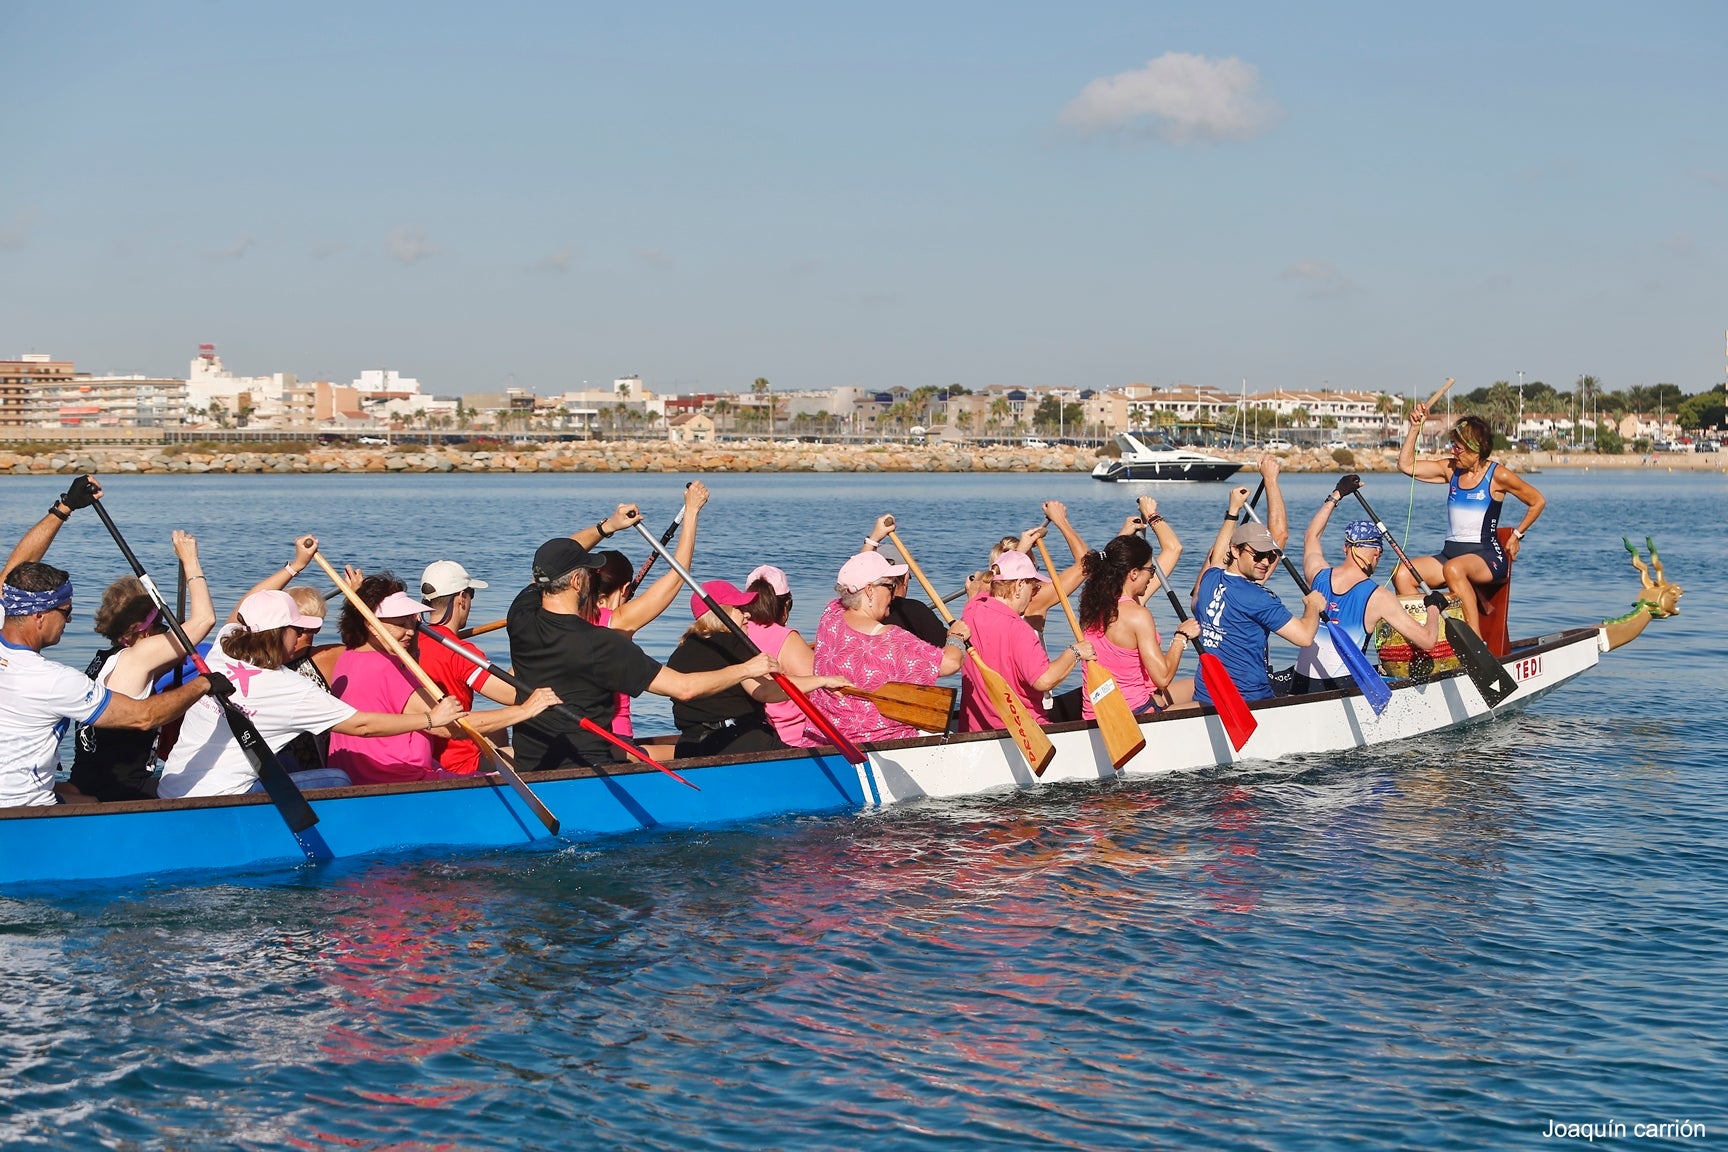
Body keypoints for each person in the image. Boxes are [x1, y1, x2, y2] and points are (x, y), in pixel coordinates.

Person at [507, 513, 780, 771]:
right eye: (589, 574)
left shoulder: (519, 617)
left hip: (530, 770)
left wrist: (606, 527)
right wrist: (747, 669)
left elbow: (552, 559)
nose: (593, 580)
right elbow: (684, 688)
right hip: (589, 774)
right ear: (577, 581)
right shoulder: (602, 643)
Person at [156, 590, 467, 799]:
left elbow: (248, 600)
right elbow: (362, 726)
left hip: (171, 789)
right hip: (224, 800)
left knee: (287, 762)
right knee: (338, 779)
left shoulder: (223, 648)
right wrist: (430, 718)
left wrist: (295, 565)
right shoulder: (292, 689)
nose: (303, 637)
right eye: (299, 629)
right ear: (280, 633)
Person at [2, 556, 226, 809]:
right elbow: (146, 716)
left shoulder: (98, 662)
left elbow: (9, 583)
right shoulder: (62, 677)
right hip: (106, 795)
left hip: (81, 782)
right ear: (39, 616)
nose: (70, 620)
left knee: (80, 795)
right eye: (66, 612)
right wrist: (203, 685)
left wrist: (58, 514)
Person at [69, 530, 216, 801]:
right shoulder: (139, 656)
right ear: (142, 630)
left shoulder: (106, 660)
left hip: (87, 781)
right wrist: (190, 561)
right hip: (117, 796)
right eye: (162, 625)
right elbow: (204, 620)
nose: (165, 632)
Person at [1397, 407, 1547, 633]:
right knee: (1403, 573)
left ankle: (1475, 642)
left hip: (1487, 557)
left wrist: (1517, 535)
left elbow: (1537, 501)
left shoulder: (1498, 475)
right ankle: (1426, 637)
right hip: (1449, 556)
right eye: (1453, 446)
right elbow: (1406, 466)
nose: (1453, 452)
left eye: (1458, 447)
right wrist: (1415, 428)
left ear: (1475, 451)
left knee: (1454, 569)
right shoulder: (1451, 470)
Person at [1292, 478, 1446, 693]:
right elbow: (1428, 641)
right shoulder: (1379, 597)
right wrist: (1433, 608)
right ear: (1377, 553)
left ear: (1346, 548)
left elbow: (1311, 536)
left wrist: (1336, 495)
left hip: (1301, 683)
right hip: (1340, 688)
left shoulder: (1317, 574)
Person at [666, 579, 849, 759]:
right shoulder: (733, 642)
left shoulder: (678, 653)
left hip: (689, 748)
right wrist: (822, 681)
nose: (747, 615)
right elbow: (765, 691)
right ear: (721, 614)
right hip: (740, 742)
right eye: (740, 609)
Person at [584, 481, 711, 737]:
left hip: (571, 739)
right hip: (615, 741)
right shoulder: (618, 622)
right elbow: (678, 576)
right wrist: (692, 511)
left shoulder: (555, 614)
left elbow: (555, 557)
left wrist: (606, 526)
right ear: (625, 589)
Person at [417, 559, 561, 773]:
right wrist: (529, 641)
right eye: (471, 594)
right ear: (461, 599)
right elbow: (514, 694)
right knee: (554, 751)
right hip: (458, 763)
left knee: (497, 732)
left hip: (428, 754)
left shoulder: (409, 639)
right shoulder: (460, 652)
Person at [809, 551, 968, 745]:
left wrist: (873, 542)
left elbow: (851, 583)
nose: (893, 595)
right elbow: (950, 663)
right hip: (879, 742)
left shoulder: (831, 613)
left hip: (826, 736)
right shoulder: (891, 639)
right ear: (869, 590)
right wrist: (956, 636)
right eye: (890, 586)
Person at [1191, 485, 1326, 705]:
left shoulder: (1210, 579)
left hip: (1207, 693)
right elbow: (1304, 637)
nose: (1264, 562)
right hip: (1248, 700)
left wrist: (1232, 511)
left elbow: (1217, 555)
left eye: (1271, 557)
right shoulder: (1257, 598)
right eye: (1257, 555)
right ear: (1235, 551)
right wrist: (1313, 606)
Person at [957, 551, 1091, 732]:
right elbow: (1043, 680)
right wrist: (1075, 652)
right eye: (1034, 587)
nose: (1034, 595)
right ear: (1019, 585)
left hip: (976, 730)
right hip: (1026, 732)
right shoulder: (1019, 630)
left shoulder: (971, 610)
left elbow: (979, 590)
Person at [1077, 533, 1201, 716]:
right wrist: (1181, 638)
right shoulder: (1138, 615)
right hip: (1133, 713)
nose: (1153, 576)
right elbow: (1163, 678)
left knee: (1199, 683)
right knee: (1211, 700)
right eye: (1151, 570)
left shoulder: (1091, 606)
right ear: (1133, 573)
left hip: (1095, 712)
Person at [741, 564, 820, 747]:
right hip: (794, 738)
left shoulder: (736, 633)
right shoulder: (786, 638)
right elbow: (819, 690)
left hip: (754, 732)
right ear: (786, 604)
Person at [860, 514, 948, 647]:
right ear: (906, 578)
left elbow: (860, 569)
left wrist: (873, 540)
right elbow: (951, 657)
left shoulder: (846, 612)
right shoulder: (916, 610)